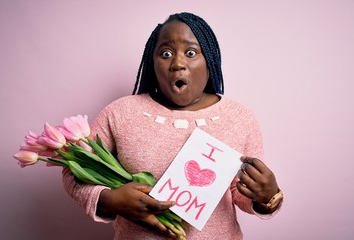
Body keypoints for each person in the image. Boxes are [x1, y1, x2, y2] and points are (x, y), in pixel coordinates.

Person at [62, 12, 283, 240]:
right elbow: (73, 172)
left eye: (190, 52)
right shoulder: (119, 113)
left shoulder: (239, 117)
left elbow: (241, 194)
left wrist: (268, 197)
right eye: (166, 53)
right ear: (152, 62)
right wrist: (109, 200)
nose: (178, 63)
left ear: (209, 59)